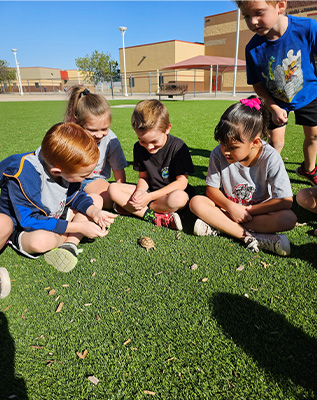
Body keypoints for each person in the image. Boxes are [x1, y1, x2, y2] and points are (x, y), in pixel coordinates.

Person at [0, 122, 117, 281]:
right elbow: (30, 220)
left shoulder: (65, 166)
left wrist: (94, 213)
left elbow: (75, 196)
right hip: (25, 225)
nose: (88, 178)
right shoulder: (25, 175)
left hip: (54, 215)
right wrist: (80, 226)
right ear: (57, 172)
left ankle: (70, 244)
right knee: (40, 242)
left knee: (95, 199)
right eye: (83, 175)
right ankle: (75, 236)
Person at [189, 97, 297, 256]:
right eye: (222, 143)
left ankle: (221, 226)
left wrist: (248, 211)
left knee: (288, 218)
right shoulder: (218, 154)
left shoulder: (271, 157)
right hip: (228, 209)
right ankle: (252, 237)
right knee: (196, 202)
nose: (225, 151)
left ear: (255, 142)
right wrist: (231, 207)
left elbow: (285, 200)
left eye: (233, 147)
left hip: (258, 213)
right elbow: (211, 190)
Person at [236, 0, 317, 186]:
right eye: (247, 16)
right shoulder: (252, 48)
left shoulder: (308, 28)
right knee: (275, 142)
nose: (253, 22)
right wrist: (273, 108)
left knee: (313, 135)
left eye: (259, 13)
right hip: (276, 100)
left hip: (309, 94)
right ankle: (267, 177)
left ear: (280, 6)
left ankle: (309, 169)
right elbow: (257, 84)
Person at [108, 99, 195, 230]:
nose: (149, 147)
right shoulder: (138, 148)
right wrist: (139, 192)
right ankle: (155, 217)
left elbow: (182, 183)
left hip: (170, 194)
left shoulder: (178, 147)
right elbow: (143, 177)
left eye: (154, 141)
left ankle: (135, 209)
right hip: (150, 192)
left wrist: (149, 198)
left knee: (179, 199)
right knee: (113, 188)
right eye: (142, 141)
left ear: (167, 129)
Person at [64, 86, 128, 209]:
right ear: (78, 123)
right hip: (68, 181)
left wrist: (121, 192)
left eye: (104, 129)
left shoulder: (110, 139)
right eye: (92, 130)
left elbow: (118, 169)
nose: (99, 135)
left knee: (114, 197)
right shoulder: (68, 135)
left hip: (93, 180)